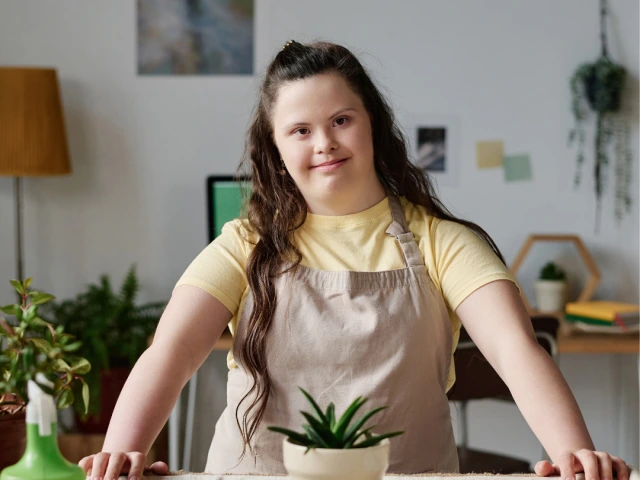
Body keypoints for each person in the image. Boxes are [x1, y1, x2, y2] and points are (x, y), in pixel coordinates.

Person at [79, 40, 630, 480]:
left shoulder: (444, 243)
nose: (324, 142)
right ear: (275, 149)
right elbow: (172, 351)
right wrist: (121, 452)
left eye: (340, 119)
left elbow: (516, 351)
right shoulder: (243, 244)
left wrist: (576, 454)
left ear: (372, 125)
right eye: (300, 130)